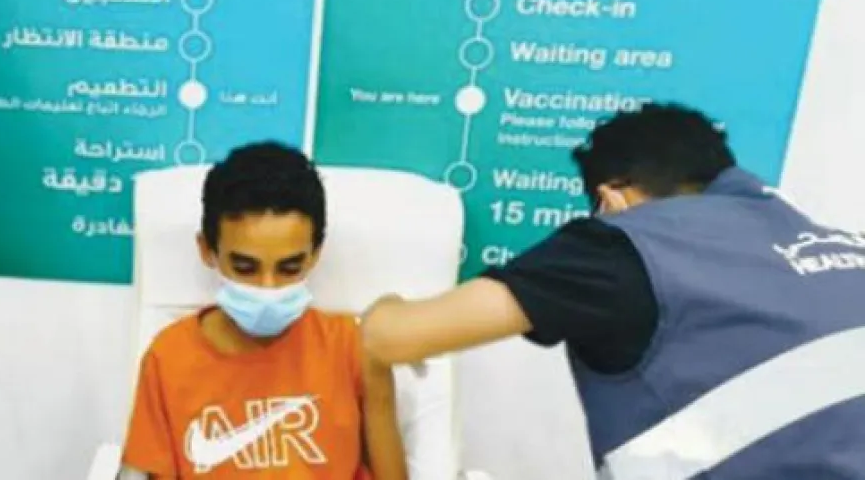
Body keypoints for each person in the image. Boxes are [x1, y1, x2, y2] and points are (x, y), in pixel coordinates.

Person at [359, 102, 865, 478]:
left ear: (611, 197)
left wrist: (388, 306)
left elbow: (391, 339)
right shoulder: (846, 249)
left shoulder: (626, 249)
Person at [120, 142, 408, 480]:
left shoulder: (354, 348)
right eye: (245, 267)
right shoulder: (169, 358)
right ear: (208, 250)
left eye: (289, 268)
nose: (267, 288)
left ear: (315, 254)